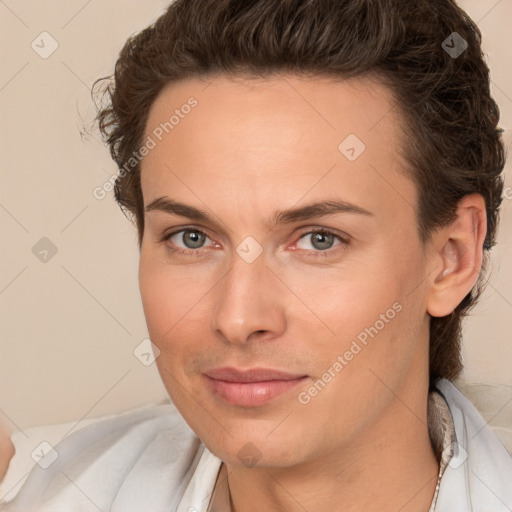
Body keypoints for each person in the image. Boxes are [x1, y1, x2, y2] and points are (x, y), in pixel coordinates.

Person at [1, 0, 511, 510]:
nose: (238, 318)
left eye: (318, 239)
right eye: (192, 238)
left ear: (451, 257)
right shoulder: (32, 490)